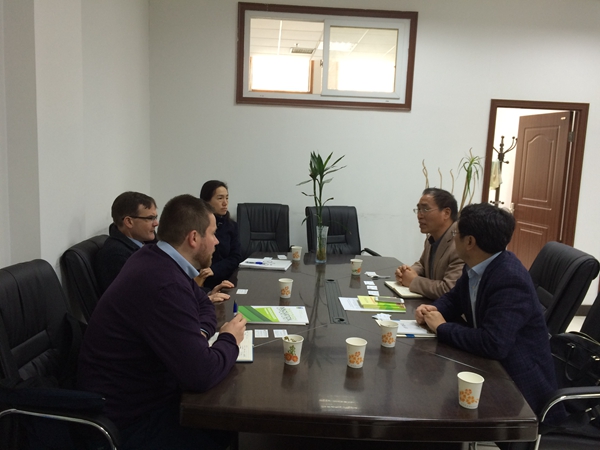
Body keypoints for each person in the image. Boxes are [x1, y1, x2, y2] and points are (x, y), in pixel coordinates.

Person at [78, 194, 247, 450]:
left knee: (228, 425)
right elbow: (201, 375)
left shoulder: (155, 257)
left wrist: (200, 333)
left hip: (149, 394)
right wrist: (230, 338)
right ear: (193, 238)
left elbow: (202, 303)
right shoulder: (164, 283)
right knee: (228, 426)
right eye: (213, 234)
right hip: (129, 420)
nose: (217, 241)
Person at [415, 203, 558, 418]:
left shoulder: (510, 279)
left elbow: (494, 343)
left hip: (517, 390)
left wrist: (442, 328)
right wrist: (433, 309)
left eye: (456, 233)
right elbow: (455, 298)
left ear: (470, 242)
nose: (453, 238)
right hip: (488, 368)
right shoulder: (477, 263)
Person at [395, 188, 464, 299]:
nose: (419, 215)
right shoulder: (431, 238)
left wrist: (413, 281)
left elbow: (449, 289)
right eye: (418, 209)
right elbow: (422, 265)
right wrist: (407, 272)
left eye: (425, 209)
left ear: (446, 213)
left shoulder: (460, 242)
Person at [95, 191, 159, 294]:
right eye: (150, 218)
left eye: (155, 217)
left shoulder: (144, 242)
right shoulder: (116, 256)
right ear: (129, 222)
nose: (156, 223)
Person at [200, 180, 243, 289]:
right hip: (202, 282)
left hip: (227, 279)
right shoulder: (197, 226)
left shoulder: (232, 226)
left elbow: (236, 257)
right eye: (220, 198)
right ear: (206, 201)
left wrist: (215, 270)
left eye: (227, 198)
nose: (225, 203)